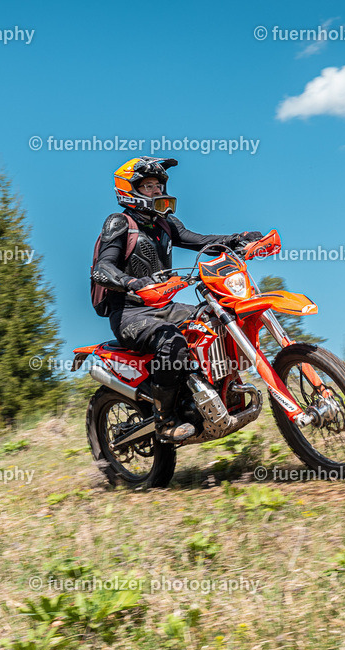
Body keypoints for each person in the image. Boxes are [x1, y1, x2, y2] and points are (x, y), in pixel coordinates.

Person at [90, 157, 262, 442]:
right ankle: (165, 420)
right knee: (174, 343)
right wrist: (133, 283)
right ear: (129, 189)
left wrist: (238, 239)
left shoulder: (166, 223)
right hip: (130, 314)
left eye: (159, 185)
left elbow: (201, 241)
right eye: (148, 186)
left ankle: (214, 392)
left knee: (215, 319)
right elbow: (102, 269)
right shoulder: (120, 222)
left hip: (165, 307)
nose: (158, 191)